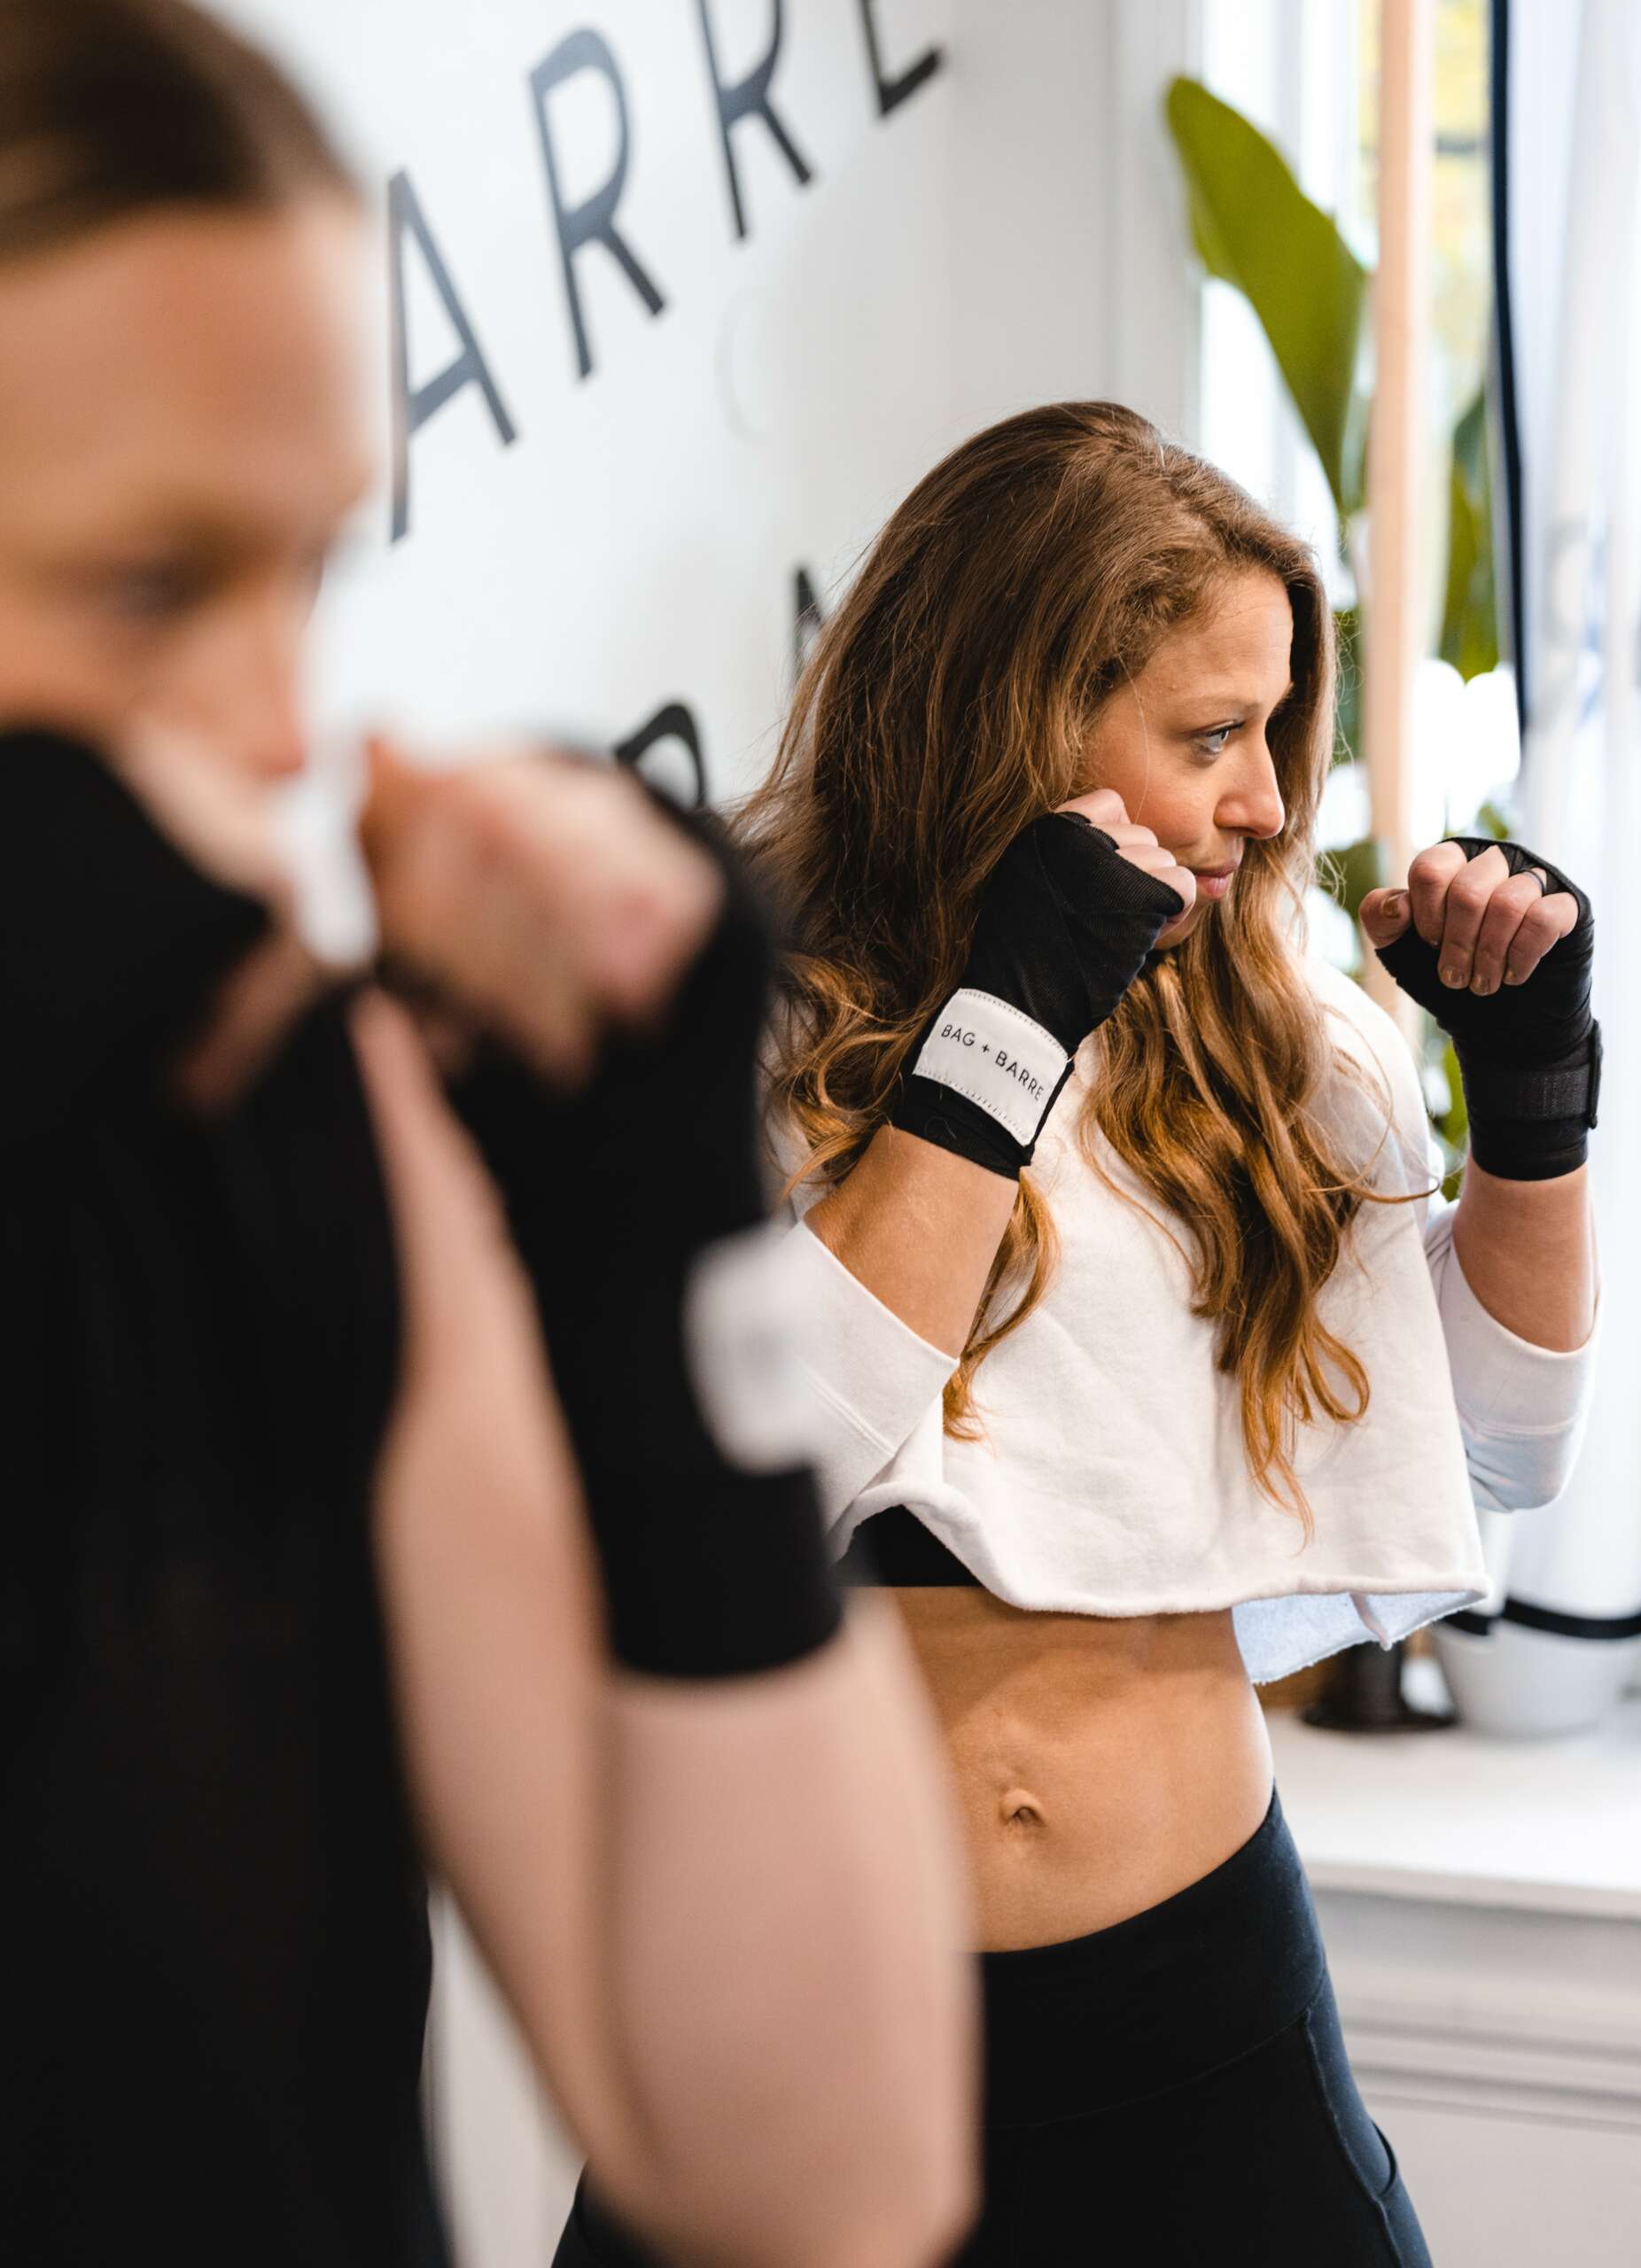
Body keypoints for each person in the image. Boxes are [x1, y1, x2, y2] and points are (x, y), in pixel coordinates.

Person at [0, 5, 976, 2264]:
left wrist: (671, 1263)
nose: (279, 725)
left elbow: (827, 2174)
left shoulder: (280, 1132)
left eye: (311, 572)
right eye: (147, 587)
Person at [727, 400, 1603, 2262]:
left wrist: (1534, 1110)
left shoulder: (1278, 1042)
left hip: (1194, 2012)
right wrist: (1003, 1024)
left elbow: (1494, 1450)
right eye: (1211, 737)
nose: (1268, 801)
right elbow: (755, 1476)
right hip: (795, 2017)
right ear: (1012, 723)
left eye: (1276, 732)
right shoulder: (745, 1017)